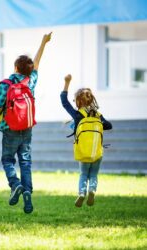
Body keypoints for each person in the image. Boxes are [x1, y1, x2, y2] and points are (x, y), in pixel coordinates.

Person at [0, 33, 52, 214]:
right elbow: (37, 63)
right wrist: (43, 42)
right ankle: (27, 193)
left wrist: (0, 121)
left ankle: (15, 184)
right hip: (26, 128)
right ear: (29, 70)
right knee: (25, 162)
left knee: (8, 160)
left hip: (9, 128)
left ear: (15, 67)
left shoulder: (6, 84)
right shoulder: (31, 81)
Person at [60, 74, 112, 207]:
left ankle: (82, 193)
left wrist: (67, 83)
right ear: (91, 100)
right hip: (96, 152)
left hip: (83, 152)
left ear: (78, 102)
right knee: (93, 174)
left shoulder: (78, 115)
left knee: (83, 174)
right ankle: (92, 190)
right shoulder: (98, 115)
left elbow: (64, 102)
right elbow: (108, 126)